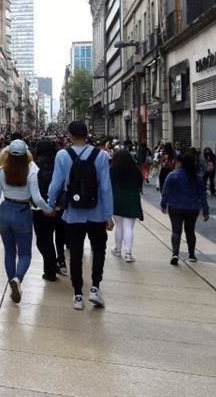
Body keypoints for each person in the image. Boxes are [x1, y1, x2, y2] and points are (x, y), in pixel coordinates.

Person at [47, 121, 114, 311]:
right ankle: (95, 288)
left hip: (73, 214)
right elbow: (105, 187)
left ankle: (77, 294)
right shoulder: (101, 155)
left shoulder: (62, 155)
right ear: (87, 134)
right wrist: (108, 215)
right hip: (97, 213)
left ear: (69, 135)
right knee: (98, 250)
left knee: (75, 253)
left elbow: (56, 183)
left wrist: (50, 204)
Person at [0, 139, 54, 304]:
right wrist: (48, 209)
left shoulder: (1, 171)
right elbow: (37, 198)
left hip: (4, 211)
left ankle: (12, 282)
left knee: (9, 252)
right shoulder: (31, 170)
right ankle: (18, 278)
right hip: (23, 212)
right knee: (24, 253)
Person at [161, 148, 209, 265]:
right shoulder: (197, 177)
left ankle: (175, 253)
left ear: (181, 163)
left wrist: (163, 204)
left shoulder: (173, 175)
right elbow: (202, 194)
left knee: (176, 231)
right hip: (192, 208)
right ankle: (191, 254)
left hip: (175, 206)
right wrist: (205, 210)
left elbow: (165, 191)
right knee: (190, 231)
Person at [32, 140, 66, 280]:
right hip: (60, 207)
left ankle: (50, 269)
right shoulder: (60, 164)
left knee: (43, 240)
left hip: (40, 208)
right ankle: (59, 261)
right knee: (59, 237)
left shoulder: (34, 166)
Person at [110, 148, 144, 263]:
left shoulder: (112, 170)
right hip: (132, 200)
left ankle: (117, 249)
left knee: (119, 226)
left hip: (117, 200)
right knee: (129, 227)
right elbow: (139, 185)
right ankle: (128, 253)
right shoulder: (136, 171)